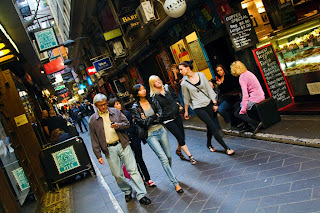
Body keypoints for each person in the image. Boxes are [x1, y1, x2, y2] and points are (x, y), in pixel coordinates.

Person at [89, 93, 151, 205]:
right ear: (96, 106)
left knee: (133, 170)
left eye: (104, 104)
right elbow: (94, 138)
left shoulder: (115, 112)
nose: (103, 107)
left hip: (123, 144)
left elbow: (127, 124)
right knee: (117, 174)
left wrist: (118, 125)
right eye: (100, 105)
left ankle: (141, 194)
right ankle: (127, 190)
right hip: (109, 149)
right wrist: (98, 155)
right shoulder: (93, 120)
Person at [131, 84, 184, 193]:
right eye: (140, 90)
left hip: (161, 130)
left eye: (144, 88)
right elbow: (143, 123)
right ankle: (175, 183)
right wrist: (154, 117)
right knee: (163, 158)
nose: (144, 90)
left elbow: (160, 114)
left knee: (168, 156)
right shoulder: (135, 107)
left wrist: (151, 118)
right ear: (136, 93)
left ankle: (170, 173)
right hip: (150, 135)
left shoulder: (152, 100)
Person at [179, 60, 234, 155]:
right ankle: (226, 148)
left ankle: (208, 144)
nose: (180, 71)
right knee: (213, 126)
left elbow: (209, 89)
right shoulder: (184, 83)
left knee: (210, 126)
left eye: (181, 69)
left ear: (187, 68)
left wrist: (215, 103)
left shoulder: (201, 75)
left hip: (208, 104)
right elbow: (186, 98)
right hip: (198, 108)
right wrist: (186, 111)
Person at [149, 75, 197, 165]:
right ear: (153, 84)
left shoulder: (167, 89)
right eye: (155, 81)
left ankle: (179, 151)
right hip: (167, 120)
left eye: (159, 79)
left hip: (176, 115)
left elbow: (175, 97)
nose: (158, 81)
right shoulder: (154, 97)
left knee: (182, 135)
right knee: (179, 136)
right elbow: (156, 109)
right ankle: (190, 156)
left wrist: (177, 103)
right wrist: (162, 117)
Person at [108, 98, 156, 187]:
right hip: (124, 142)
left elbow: (131, 126)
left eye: (119, 103)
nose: (119, 106)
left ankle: (148, 178)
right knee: (132, 162)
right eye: (116, 104)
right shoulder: (110, 119)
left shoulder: (127, 114)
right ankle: (140, 178)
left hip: (134, 139)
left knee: (140, 159)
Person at [230, 61, 264, 134]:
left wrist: (243, 109)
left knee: (237, 113)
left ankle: (256, 123)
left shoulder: (242, 77)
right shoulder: (248, 73)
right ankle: (247, 125)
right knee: (237, 105)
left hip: (255, 98)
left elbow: (245, 95)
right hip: (260, 95)